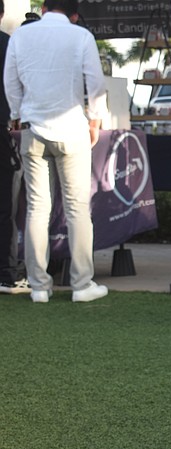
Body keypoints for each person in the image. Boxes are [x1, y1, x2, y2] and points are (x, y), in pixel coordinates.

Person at [3, 0, 108, 303]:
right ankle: (82, 284)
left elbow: (10, 80)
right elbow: (96, 84)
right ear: (74, 14)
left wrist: (16, 112)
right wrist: (95, 120)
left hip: (33, 128)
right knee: (77, 209)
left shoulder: (22, 36)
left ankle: (38, 286)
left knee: (37, 207)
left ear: (45, 8)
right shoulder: (81, 36)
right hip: (72, 128)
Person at [0, 0, 29, 295]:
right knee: (6, 205)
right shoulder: (9, 45)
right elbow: (17, 86)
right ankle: (7, 273)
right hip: (4, 132)